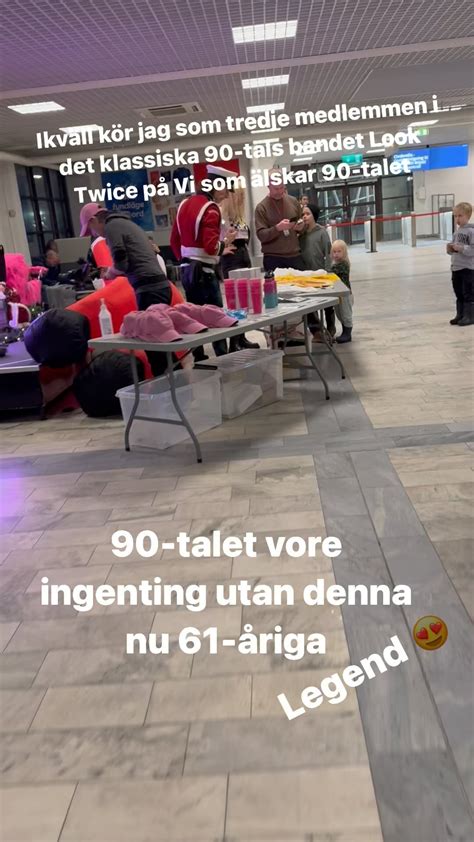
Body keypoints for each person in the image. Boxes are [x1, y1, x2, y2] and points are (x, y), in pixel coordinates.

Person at [79, 202, 173, 375]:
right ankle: (176, 381)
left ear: (93, 220)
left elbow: (122, 263)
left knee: (154, 347)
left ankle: (166, 385)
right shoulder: (126, 223)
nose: (94, 234)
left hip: (149, 289)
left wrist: (109, 273)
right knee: (162, 341)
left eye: (91, 230)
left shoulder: (111, 227)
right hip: (159, 286)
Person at [170, 165, 237, 362]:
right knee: (216, 317)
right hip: (204, 272)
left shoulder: (184, 204)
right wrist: (225, 243)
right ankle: (222, 358)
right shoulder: (211, 209)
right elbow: (210, 246)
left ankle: (199, 357)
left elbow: (174, 240)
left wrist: (187, 259)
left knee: (193, 317)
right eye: (225, 189)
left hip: (187, 271)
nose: (227, 195)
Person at [220, 188, 259, 351]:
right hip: (231, 261)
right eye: (240, 196)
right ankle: (234, 341)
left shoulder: (240, 218)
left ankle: (241, 337)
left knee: (244, 302)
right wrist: (223, 248)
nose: (242, 199)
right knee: (235, 302)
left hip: (243, 258)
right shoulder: (222, 218)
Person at [254, 168, 305, 273]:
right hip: (273, 257)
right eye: (276, 188)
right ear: (268, 186)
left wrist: (301, 227)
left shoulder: (293, 201)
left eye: (282, 187)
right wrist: (277, 228)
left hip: (294, 255)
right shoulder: (261, 207)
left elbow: (302, 221)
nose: (280, 191)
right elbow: (261, 235)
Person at [299, 202, 335, 339]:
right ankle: (318, 331)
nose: (305, 216)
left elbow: (328, 253)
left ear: (314, 216)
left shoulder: (322, 232)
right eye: (303, 214)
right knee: (310, 305)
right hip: (306, 276)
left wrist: (328, 271)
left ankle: (331, 329)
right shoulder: (300, 234)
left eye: (307, 214)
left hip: (321, 274)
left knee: (327, 304)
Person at [447, 202, 474, 326]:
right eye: (455, 216)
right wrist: (450, 249)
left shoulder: (471, 231)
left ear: (468, 216)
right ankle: (460, 314)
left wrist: (462, 248)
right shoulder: (457, 232)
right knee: (458, 292)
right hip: (456, 267)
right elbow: (453, 249)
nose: (457, 219)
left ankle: (470, 315)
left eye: (460, 216)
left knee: (468, 293)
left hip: (467, 268)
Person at [330, 239, 353, 343]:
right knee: (339, 313)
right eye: (334, 252)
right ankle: (344, 331)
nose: (336, 254)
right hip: (338, 293)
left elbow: (332, 273)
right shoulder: (334, 263)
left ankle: (347, 334)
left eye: (339, 251)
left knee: (346, 313)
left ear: (344, 252)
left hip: (345, 294)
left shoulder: (343, 264)